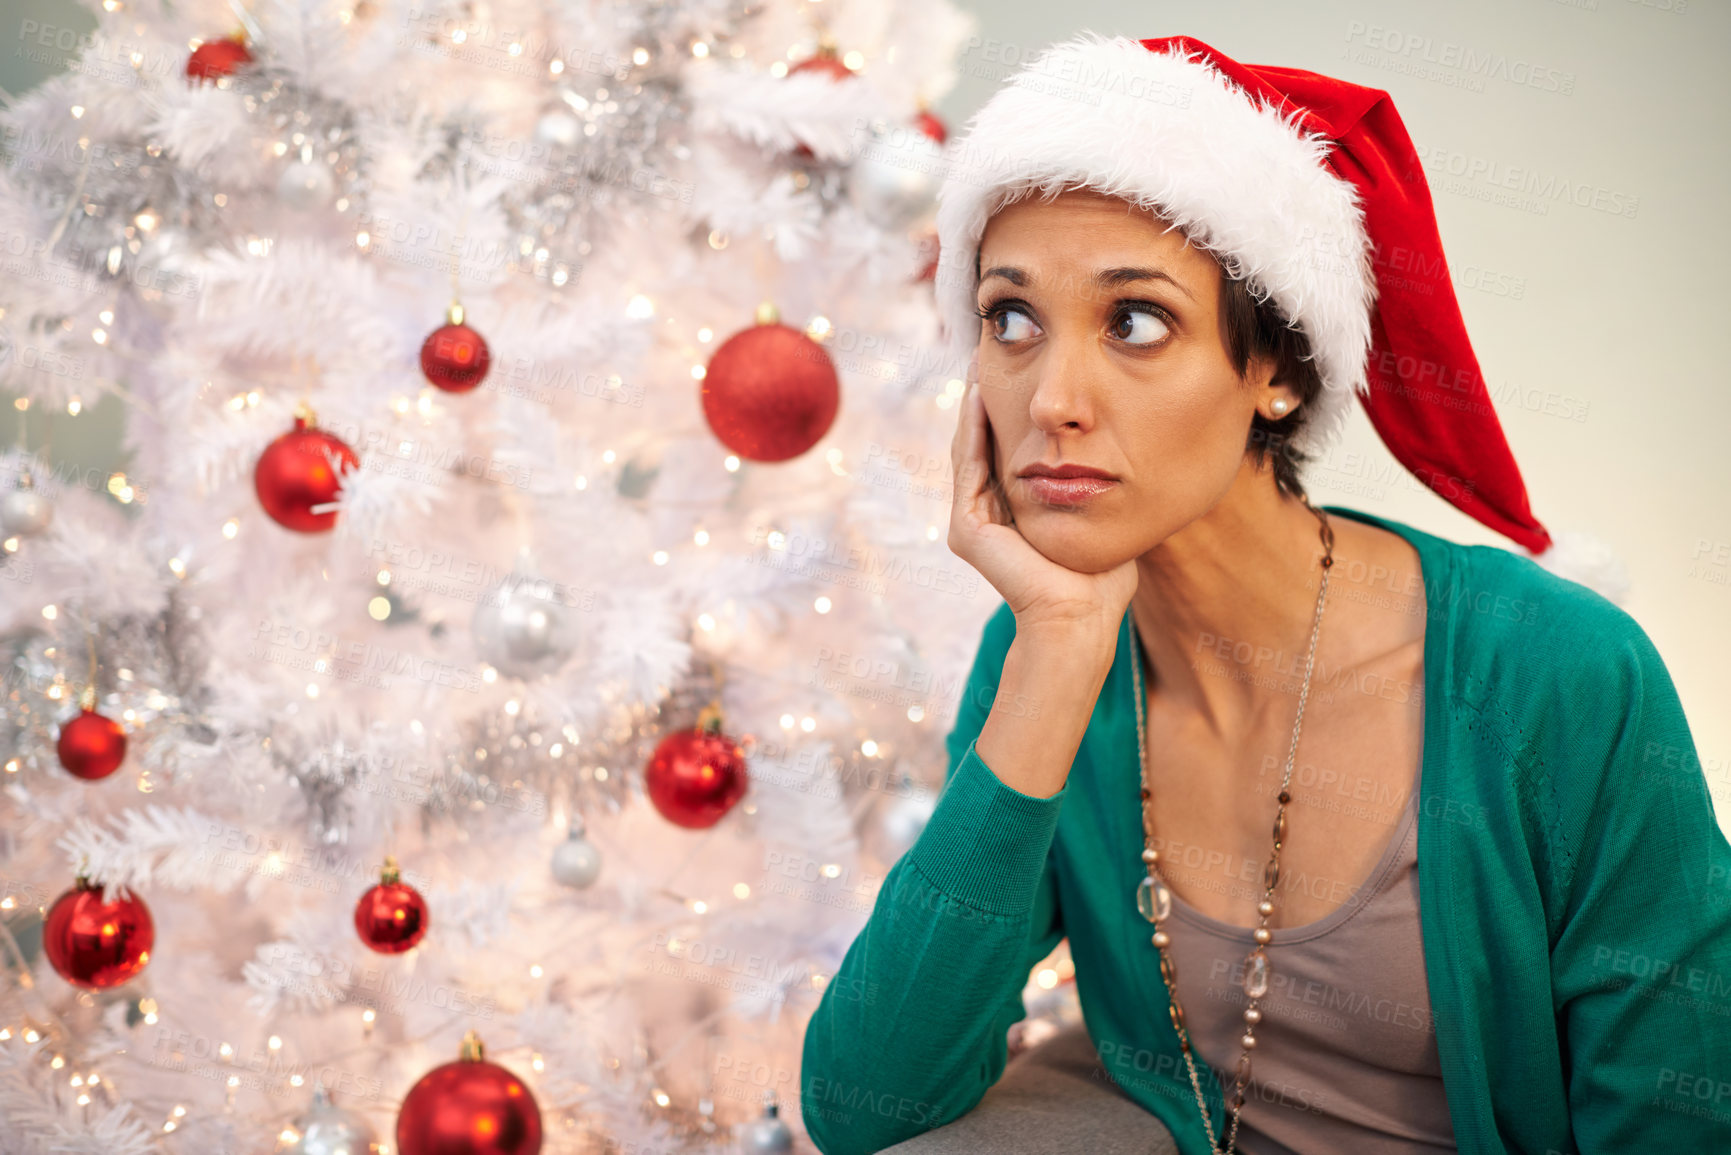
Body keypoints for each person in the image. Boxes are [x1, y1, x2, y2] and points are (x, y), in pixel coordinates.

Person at [799, 33, 1731, 1155]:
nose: (1052, 398)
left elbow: (1676, 1117)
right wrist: (1051, 658)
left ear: (1276, 372)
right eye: (1010, 319)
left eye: (1135, 322)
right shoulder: (1054, 655)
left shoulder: (1557, 674)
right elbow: (866, 1105)